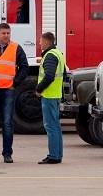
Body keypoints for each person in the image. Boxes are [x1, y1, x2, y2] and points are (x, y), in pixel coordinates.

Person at [0, 23, 29, 164]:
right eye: (3, 33)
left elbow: (24, 67)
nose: (6, 36)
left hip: (8, 90)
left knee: (7, 123)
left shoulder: (16, 48)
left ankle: (7, 154)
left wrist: (15, 83)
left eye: (8, 33)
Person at [36, 32, 66, 164]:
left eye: (41, 41)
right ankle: (57, 155)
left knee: (50, 126)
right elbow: (64, 73)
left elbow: (49, 76)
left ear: (47, 42)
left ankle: (53, 156)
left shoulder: (50, 56)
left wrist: (39, 89)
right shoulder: (58, 53)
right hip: (56, 94)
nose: (39, 43)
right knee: (56, 126)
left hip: (49, 95)